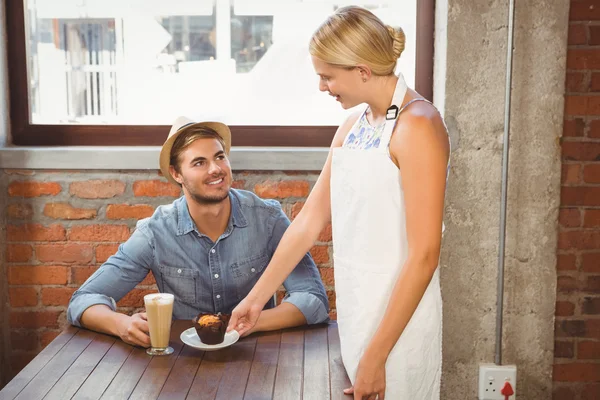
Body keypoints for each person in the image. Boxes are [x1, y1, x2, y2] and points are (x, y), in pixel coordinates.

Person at [227, 6, 450, 400]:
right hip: (360, 311)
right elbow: (310, 220)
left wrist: (377, 355)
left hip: (400, 326)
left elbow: (425, 255)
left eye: (327, 76)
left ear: (362, 71)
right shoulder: (353, 127)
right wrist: (256, 299)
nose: (322, 87)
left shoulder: (419, 125)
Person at [67, 117, 330, 348]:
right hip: (182, 362)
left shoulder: (267, 219)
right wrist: (120, 324)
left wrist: (247, 323)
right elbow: (83, 301)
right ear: (176, 173)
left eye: (219, 157)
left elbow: (313, 300)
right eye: (199, 162)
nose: (215, 169)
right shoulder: (155, 232)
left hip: (259, 357)